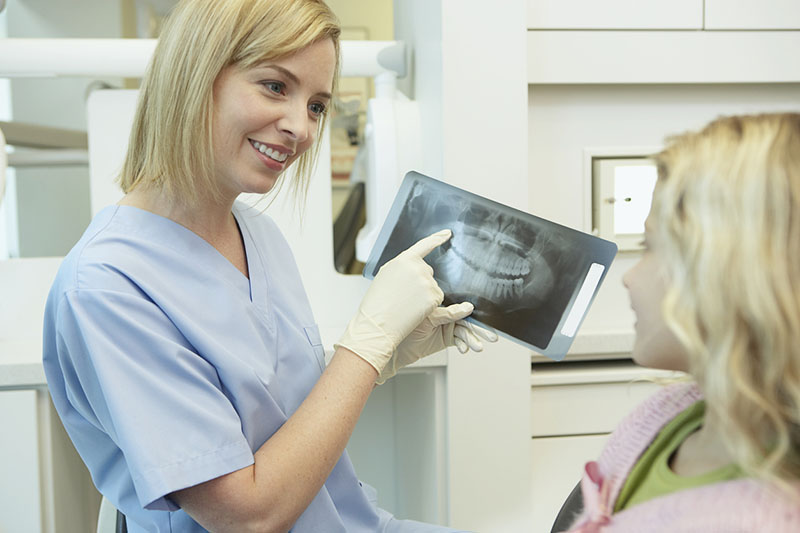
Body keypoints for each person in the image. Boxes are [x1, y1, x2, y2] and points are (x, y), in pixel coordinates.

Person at [41, 1, 495, 531]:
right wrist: (363, 351)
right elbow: (248, 516)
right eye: (276, 87)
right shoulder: (105, 288)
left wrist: (385, 353)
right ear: (196, 76)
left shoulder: (258, 235)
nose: (301, 128)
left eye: (317, 106)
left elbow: (264, 412)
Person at [561, 113, 800, 532]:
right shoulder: (667, 415)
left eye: (650, 247)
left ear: (730, 278)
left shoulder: (766, 519)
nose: (629, 277)